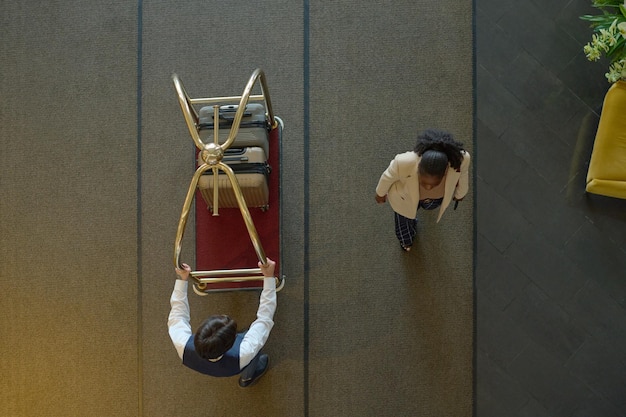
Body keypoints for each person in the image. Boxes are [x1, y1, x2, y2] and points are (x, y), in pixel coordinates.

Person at [168, 258, 277, 387]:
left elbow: (178, 315)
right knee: (254, 353)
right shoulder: (244, 352)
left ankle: (246, 378)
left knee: (253, 347)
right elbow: (264, 319)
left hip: (214, 366)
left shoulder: (183, 346)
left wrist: (182, 279)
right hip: (239, 363)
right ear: (232, 342)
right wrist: (269, 278)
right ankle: (248, 378)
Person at [375, 128, 470, 252]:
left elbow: (463, 175)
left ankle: (421, 210)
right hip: (404, 199)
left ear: (445, 172)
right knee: (403, 225)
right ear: (419, 167)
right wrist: (380, 194)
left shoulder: (459, 160)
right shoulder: (403, 162)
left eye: (435, 183)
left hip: (435, 199)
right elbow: (387, 177)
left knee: (429, 206)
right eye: (424, 182)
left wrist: (460, 193)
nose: (428, 187)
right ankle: (406, 242)